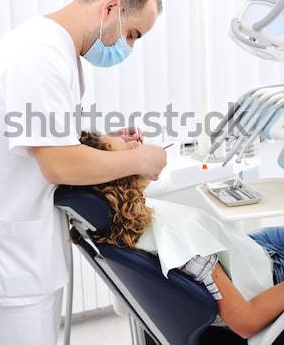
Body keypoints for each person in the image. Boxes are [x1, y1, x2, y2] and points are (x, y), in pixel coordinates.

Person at [0, 0, 167, 345]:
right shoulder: (40, 54)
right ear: (111, 8)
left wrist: (110, 142)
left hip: (25, 252)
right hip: (8, 261)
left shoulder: (56, 49)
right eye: (131, 34)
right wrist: (141, 160)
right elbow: (59, 162)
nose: (129, 45)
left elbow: (49, 137)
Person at [69, 130, 284, 341]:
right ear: (117, 181)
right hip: (268, 271)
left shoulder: (123, 219)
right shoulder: (182, 246)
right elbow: (246, 321)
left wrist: (117, 142)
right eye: (127, 148)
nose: (136, 145)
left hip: (251, 252)